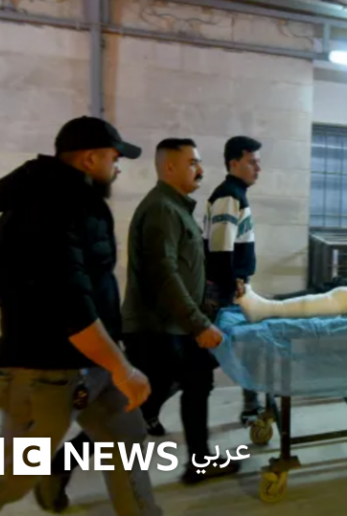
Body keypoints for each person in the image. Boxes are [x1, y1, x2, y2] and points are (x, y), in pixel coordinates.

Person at [0, 116, 161, 516]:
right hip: (43, 375)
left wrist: (113, 363)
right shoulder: (53, 209)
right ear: (89, 159)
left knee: (127, 443)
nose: (119, 167)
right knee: (7, 481)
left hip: (90, 366)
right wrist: (123, 369)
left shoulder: (74, 203)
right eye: (114, 157)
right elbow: (71, 306)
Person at [119, 138, 235, 485]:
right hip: (156, 329)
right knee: (136, 404)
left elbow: (185, 271)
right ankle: (60, 464)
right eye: (192, 163)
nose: (200, 170)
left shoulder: (176, 208)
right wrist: (199, 324)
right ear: (169, 167)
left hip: (176, 325)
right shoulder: (162, 210)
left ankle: (199, 461)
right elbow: (164, 274)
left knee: (198, 381)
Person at [203, 136, 263, 423]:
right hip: (224, 289)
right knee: (205, 359)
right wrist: (231, 286)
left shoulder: (236, 194)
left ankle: (251, 405)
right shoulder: (228, 196)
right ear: (234, 163)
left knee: (245, 346)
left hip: (232, 286)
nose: (258, 168)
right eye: (252, 162)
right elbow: (220, 249)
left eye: (258, 162)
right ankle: (149, 407)